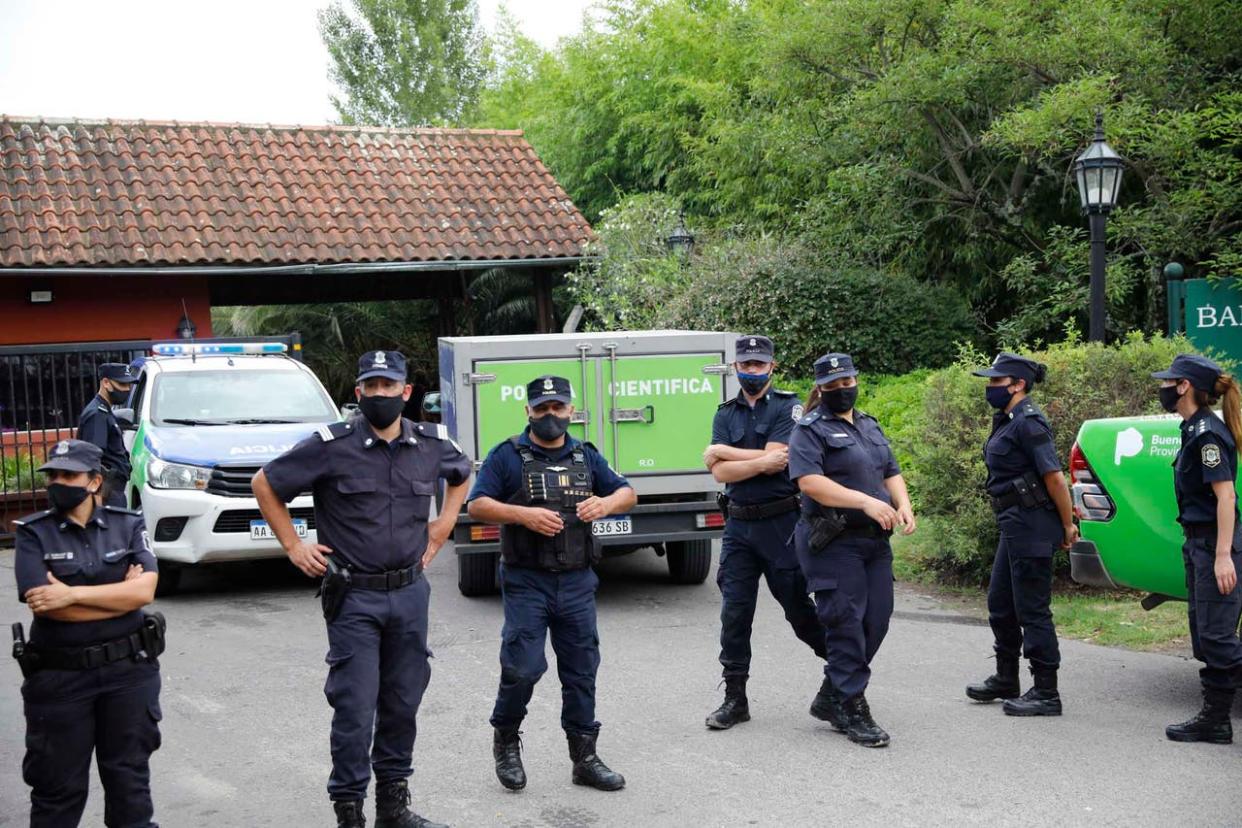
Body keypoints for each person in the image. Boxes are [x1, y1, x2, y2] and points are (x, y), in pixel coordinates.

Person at [253, 350, 472, 828]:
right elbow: (265, 483)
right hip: (355, 597)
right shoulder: (331, 445)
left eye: (388, 387)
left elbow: (463, 471)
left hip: (411, 594)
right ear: (358, 393)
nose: (379, 395)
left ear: (405, 392)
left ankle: (393, 808)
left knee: (402, 702)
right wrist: (292, 545)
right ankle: (349, 812)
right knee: (354, 707)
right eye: (370, 387)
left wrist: (446, 521)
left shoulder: (431, 443)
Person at [467, 375, 637, 793]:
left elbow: (628, 493)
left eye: (557, 408)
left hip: (578, 580)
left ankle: (584, 759)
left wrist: (606, 502)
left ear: (570, 411)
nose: (550, 416)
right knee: (523, 667)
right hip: (527, 580)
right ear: (528, 411)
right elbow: (477, 504)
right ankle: (506, 739)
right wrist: (523, 515)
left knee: (582, 671)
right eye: (541, 409)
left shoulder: (586, 455)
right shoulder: (507, 456)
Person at [13, 438, 164, 827]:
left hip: (128, 674)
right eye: (53, 476)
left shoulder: (127, 525)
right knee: (57, 791)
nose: (57, 483)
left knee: (129, 784)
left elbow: (145, 591)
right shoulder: (33, 534)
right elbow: (44, 604)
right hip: (61, 679)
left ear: (95, 482)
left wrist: (71, 593)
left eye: (69, 475)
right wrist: (119, 595)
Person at [701, 335, 833, 730]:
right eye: (746, 365)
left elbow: (782, 460)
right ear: (736, 367)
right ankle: (734, 699)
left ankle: (845, 672)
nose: (752, 371)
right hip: (739, 526)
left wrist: (724, 453)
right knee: (734, 615)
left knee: (799, 610)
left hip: (781, 526)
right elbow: (721, 473)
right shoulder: (725, 413)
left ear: (772, 367)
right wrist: (755, 459)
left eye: (759, 365)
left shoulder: (788, 407)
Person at [788, 353, 916, 748]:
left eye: (848, 382)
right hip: (833, 542)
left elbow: (890, 470)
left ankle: (831, 694)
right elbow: (809, 482)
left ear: (856, 380)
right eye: (833, 386)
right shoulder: (809, 430)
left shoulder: (868, 424)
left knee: (875, 620)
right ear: (821, 389)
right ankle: (851, 705)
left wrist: (904, 505)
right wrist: (862, 501)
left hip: (874, 542)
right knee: (845, 623)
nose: (843, 390)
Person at [965, 352, 1076, 717]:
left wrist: (1067, 524)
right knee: (1001, 604)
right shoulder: (1007, 420)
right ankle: (1006, 677)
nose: (990, 386)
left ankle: (1046, 691)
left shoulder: (1029, 423)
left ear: (1018, 385)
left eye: (997, 381)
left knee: (1032, 609)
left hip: (1032, 523)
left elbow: (1055, 478)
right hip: (1013, 524)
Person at [1153, 353, 1242, 744]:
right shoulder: (1191, 428)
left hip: (1214, 546)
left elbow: (1226, 497)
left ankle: (1216, 719)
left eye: (1169, 382)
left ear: (1184, 386)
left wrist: (1223, 555)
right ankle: (1216, 721)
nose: (1164, 388)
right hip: (1199, 545)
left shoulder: (1207, 434)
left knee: (1219, 638)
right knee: (1206, 637)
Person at [77, 363, 138, 507]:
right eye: (122, 384)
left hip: (112, 492)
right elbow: (93, 457)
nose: (127, 389)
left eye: (129, 385)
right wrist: (99, 496)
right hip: (107, 495)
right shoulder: (97, 414)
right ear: (106, 383)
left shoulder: (104, 411)